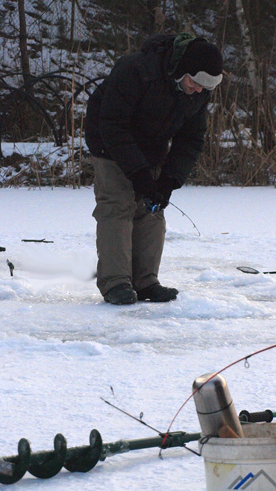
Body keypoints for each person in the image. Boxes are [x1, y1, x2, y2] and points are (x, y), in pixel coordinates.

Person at [85, 32, 223, 305]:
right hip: (109, 142)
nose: (198, 91)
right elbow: (113, 125)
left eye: (205, 88)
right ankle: (116, 282)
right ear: (182, 71)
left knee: (152, 209)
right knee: (118, 206)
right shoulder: (135, 70)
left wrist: (169, 181)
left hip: (152, 147)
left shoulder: (197, 92)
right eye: (194, 83)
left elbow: (191, 139)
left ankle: (146, 281)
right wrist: (139, 175)